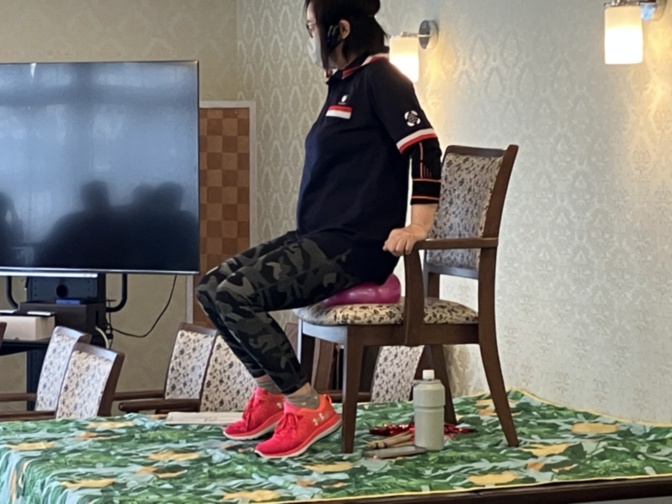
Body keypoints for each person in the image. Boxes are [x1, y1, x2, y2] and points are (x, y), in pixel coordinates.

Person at [196, 0, 443, 459]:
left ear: (340, 29)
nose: (309, 37)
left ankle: (307, 405)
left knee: (236, 296)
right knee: (211, 288)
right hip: (318, 238)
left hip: (355, 246)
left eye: (312, 27)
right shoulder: (343, 84)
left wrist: (418, 225)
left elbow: (425, 147)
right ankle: (272, 394)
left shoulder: (382, 78)